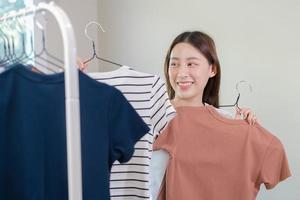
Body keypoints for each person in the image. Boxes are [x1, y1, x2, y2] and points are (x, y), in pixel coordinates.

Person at [151, 31, 290, 200]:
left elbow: (272, 151)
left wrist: (243, 131)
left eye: (191, 64)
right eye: (174, 64)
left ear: (212, 69)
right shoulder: (148, 114)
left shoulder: (227, 119)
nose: (181, 73)